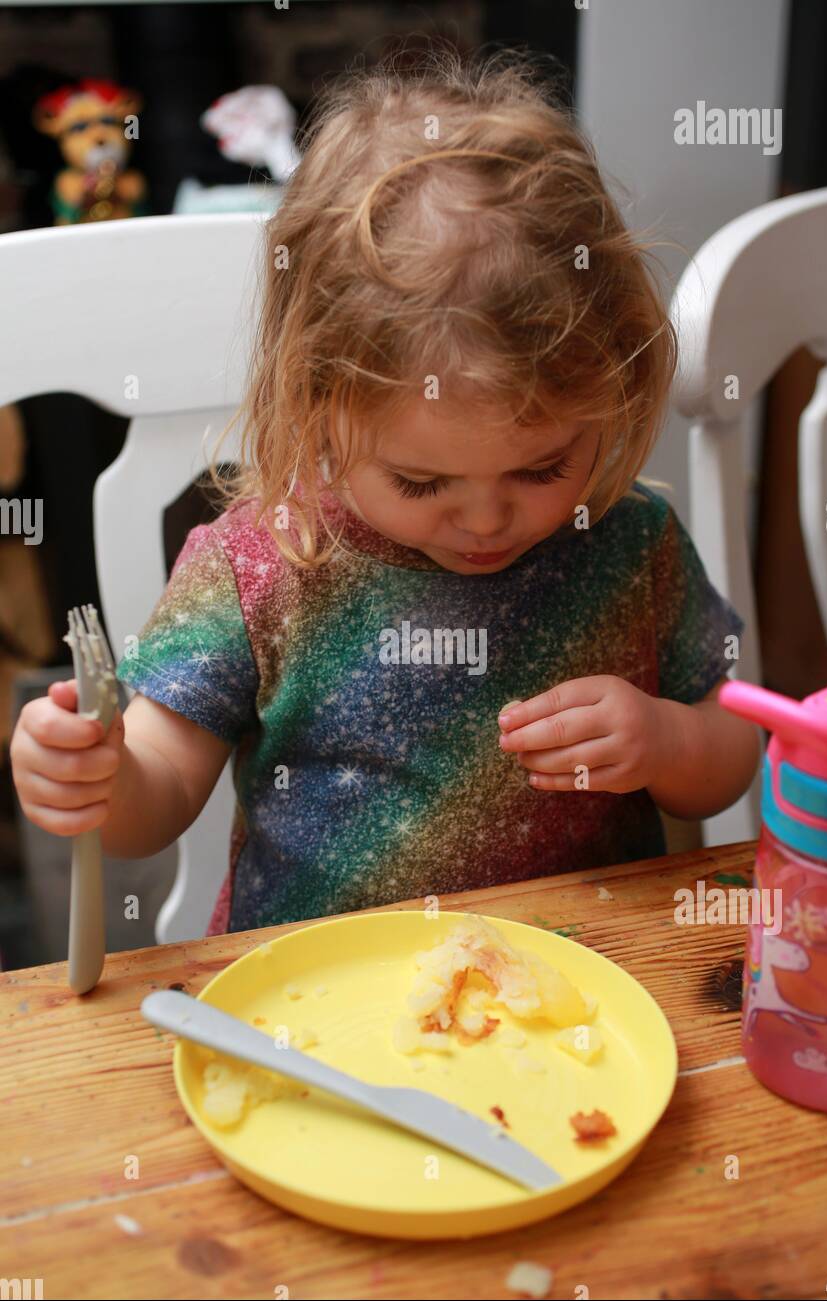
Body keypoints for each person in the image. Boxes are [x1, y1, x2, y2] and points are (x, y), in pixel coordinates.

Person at [10, 49, 761, 935]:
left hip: (581, 1000)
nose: (486, 519)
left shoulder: (629, 542)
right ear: (318, 407)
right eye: (419, 479)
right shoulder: (262, 564)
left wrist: (668, 741)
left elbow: (735, 743)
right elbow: (158, 793)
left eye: (542, 468)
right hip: (315, 1007)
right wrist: (100, 779)